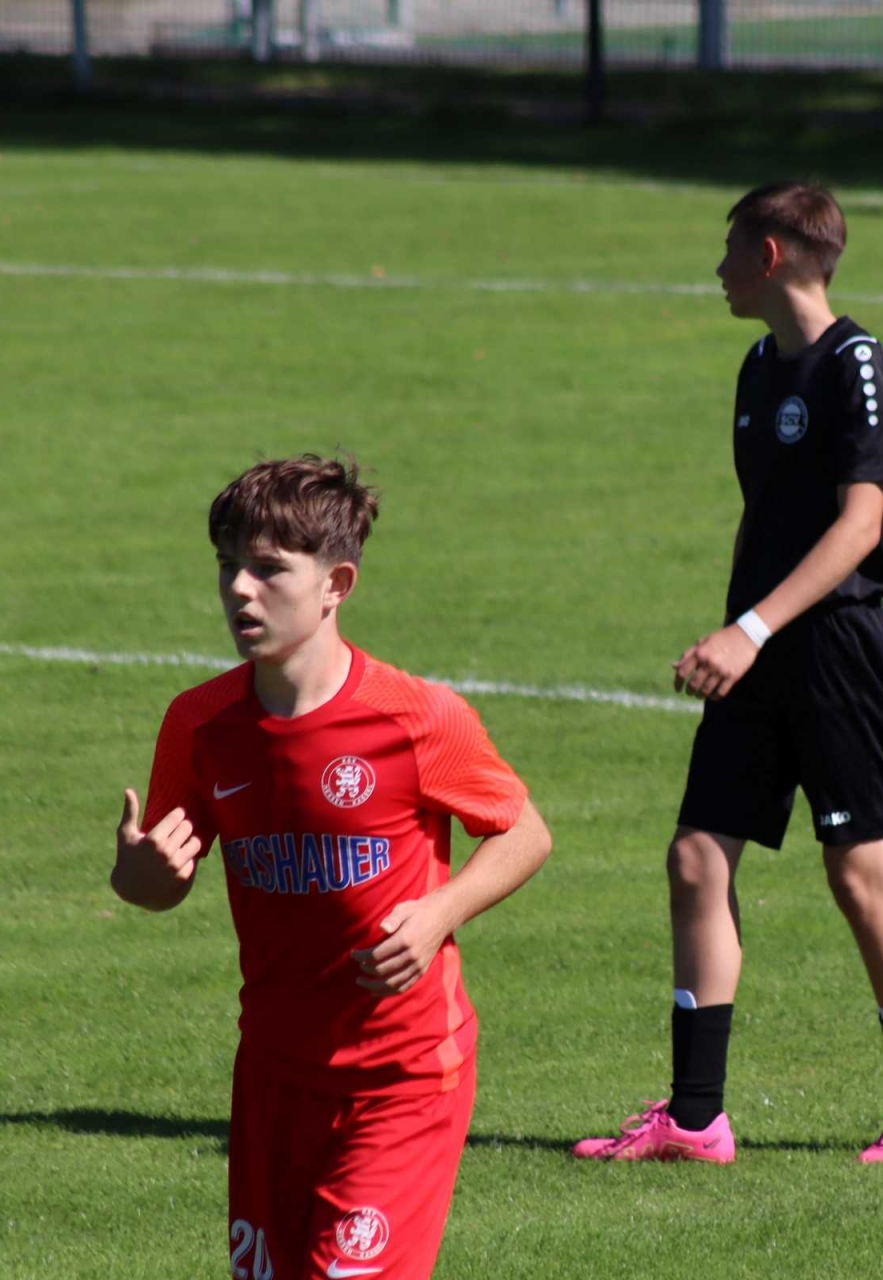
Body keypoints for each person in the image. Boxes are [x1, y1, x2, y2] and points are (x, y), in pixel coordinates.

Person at [574, 181, 883, 1165]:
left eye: (730, 249)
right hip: (757, 646)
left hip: (834, 648)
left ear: (773, 254)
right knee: (696, 857)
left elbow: (862, 525)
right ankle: (696, 1116)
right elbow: (763, 514)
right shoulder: (756, 367)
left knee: (858, 872)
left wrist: (750, 628)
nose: (718, 269)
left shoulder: (857, 362)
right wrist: (733, 630)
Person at [110, 455, 551, 1280]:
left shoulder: (414, 718)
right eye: (228, 566)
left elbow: (524, 831)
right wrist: (140, 875)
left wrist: (441, 911)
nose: (240, 590)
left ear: (335, 584)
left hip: (403, 1076)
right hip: (273, 1075)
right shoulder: (201, 726)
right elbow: (157, 885)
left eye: (269, 569)